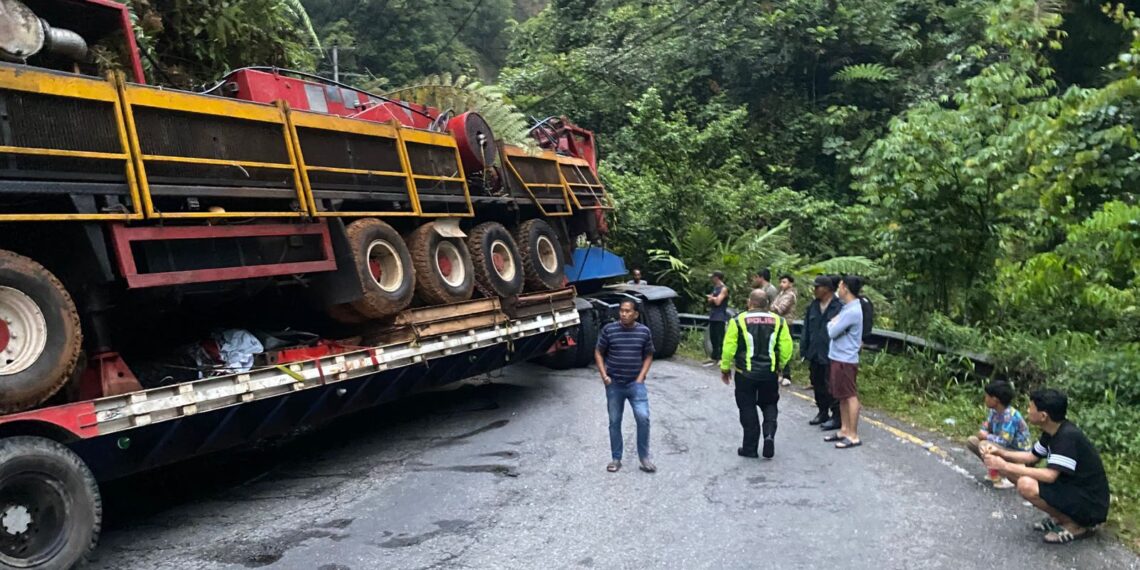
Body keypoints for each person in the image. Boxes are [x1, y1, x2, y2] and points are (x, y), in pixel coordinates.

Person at [983, 389, 1110, 544]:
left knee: (1026, 484)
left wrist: (1004, 466)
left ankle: (1075, 524)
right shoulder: (1052, 431)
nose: (1027, 411)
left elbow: (1050, 476)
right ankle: (1060, 517)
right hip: (1071, 489)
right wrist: (1000, 453)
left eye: (1031, 407)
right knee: (1015, 474)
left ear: (1043, 416)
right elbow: (1031, 456)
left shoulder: (1067, 437)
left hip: (1090, 503)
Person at [720, 289, 793, 459]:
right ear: (767, 304)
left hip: (745, 374)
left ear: (749, 302)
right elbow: (786, 348)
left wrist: (725, 368)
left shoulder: (738, 320)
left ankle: (750, 448)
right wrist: (780, 366)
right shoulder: (779, 321)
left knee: (747, 407)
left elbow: (729, 347)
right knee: (770, 404)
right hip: (769, 373)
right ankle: (769, 435)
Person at [595, 300, 657, 473]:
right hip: (614, 384)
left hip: (635, 384)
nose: (624, 314)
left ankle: (644, 458)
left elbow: (649, 355)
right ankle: (616, 458)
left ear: (636, 314)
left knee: (643, 418)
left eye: (628, 311)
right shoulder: (609, 330)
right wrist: (604, 376)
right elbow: (598, 351)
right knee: (614, 421)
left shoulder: (643, 332)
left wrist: (641, 377)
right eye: (621, 310)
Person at [966, 380, 1031, 489]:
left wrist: (986, 436)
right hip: (1003, 447)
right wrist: (983, 432)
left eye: (987, 396)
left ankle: (1007, 475)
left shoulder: (1009, 417)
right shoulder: (994, 411)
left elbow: (1004, 441)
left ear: (995, 400)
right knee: (972, 441)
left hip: (1017, 452)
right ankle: (995, 470)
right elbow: (987, 426)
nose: (985, 399)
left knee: (984, 444)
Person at [824, 275, 864, 449]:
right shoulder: (847, 308)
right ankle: (844, 429)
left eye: (840, 286)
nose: (838, 290)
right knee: (841, 395)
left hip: (846, 359)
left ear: (845, 288)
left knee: (850, 395)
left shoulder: (852, 311)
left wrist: (832, 323)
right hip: (838, 356)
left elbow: (832, 331)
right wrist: (833, 323)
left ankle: (853, 435)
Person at [800, 275, 842, 429]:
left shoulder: (838, 306)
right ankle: (822, 411)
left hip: (831, 352)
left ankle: (837, 415)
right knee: (817, 382)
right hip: (814, 351)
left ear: (827, 289)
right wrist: (804, 349)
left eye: (818, 287)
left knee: (832, 384)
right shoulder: (813, 306)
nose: (815, 290)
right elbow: (806, 328)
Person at [770, 274, 798, 386]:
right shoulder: (781, 293)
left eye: (784, 282)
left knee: (785, 348)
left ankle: (787, 375)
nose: (782, 284)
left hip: (787, 323)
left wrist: (774, 307)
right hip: (778, 323)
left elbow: (781, 309)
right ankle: (779, 373)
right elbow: (772, 305)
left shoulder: (790, 295)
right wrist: (774, 306)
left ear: (790, 283)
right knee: (776, 348)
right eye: (781, 282)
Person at [706, 271, 729, 364]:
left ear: (717, 278)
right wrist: (712, 298)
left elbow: (718, 302)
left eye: (713, 277)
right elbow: (709, 300)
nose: (711, 279)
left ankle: (721, 357)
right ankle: (714, 356)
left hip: (720, 316)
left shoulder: (724, 289)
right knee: (713, 337)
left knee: (720, 338)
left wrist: (712, 298)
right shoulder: (715, 288)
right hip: (713, 315)